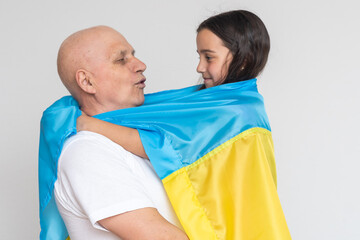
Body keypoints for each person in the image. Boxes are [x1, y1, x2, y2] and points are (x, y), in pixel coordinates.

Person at [53, 26, 188, 240]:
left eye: (133, 55)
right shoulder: (87, 152)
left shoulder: (143, 143)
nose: (141, 65)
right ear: (87, 82)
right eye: (121, 60)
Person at [76, 10, 270, 158]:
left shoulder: (238, 112)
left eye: (209, 57)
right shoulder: (204, 100)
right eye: (199, 56)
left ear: (244, 61)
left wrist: (89, 124)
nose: (199, 67)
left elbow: (168, 149)